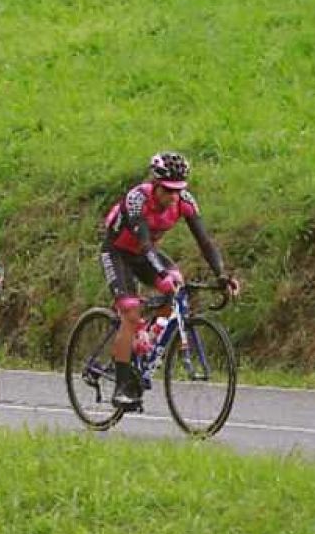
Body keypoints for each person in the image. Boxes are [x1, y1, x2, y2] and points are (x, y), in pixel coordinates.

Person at [99, 151, 240, 409]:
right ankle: (122, 387)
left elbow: (205, 243)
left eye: (179, 190)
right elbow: (143, 245)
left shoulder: (184, 201)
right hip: (119, 252)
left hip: (146, 254)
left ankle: (146, 338)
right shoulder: (137, 200)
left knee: (176, 284)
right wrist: (160, 274)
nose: (173, 197)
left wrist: (222, 274)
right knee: (131, 312)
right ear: (155, 184)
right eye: (168, 190)